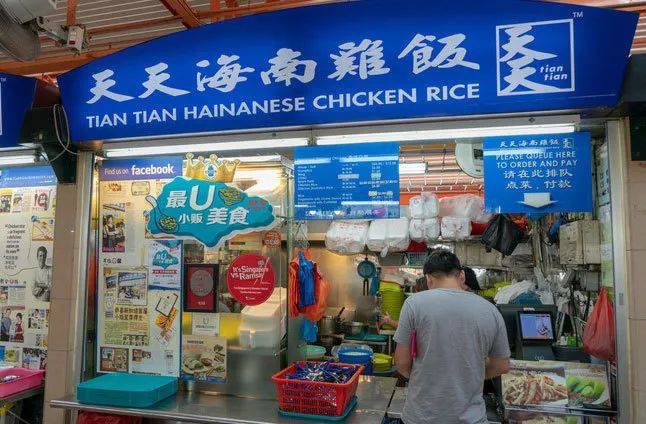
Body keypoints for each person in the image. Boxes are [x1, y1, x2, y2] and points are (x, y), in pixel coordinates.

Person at [394, 250, 510, 424]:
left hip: (421, 418)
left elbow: (402, 363)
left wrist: (427, 375)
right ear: (461, 275)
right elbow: (501, 365)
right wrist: (469, 374)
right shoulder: (490, 309)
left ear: (428, 279)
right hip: (472, 419)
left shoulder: (413, 304)